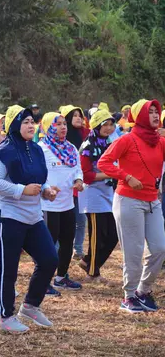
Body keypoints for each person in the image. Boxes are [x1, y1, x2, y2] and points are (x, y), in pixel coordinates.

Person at [0, 105, 59, 334]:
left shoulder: (36, 149)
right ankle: (6, 317)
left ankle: (30, 306)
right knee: (9, 269)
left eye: (32, 122)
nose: (30, 125)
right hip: (8, 216)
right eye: (25, 121)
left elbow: (38, 178)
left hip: (33, 216)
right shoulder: (4, 151)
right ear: (15, 124)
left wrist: (46, 190)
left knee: (49, 259)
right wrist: (21, 190)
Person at [98, 99, 165, 313]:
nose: (156, 115)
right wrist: (126, 176)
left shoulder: (160, 141)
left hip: (153, 200)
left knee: (159, 248)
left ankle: (143, 291)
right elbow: (104, 163)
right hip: (128, 200)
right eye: (151, 112)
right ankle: (128, 296)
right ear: (141, 116)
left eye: (157, 112)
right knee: (133, 251)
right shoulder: (127, 139)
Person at [39, 112, 84, 294]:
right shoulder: (41, 148)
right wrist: (47, 188)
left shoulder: (71, 148)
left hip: (68, 203)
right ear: (49, 127)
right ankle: (44, 281)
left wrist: (79, 180)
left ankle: (61, 277)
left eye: (64, 123)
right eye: (57, 124)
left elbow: (77, 168)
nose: (63, 127)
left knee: (67, 241)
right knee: (49, 244)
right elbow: (37, 174)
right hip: (48, 205)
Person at [78, 109, 119, 283]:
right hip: (93, 194)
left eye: (111, 124)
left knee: (114, 235)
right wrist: (111, 174)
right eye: (105, 124)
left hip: (108, 192)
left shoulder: (109, 143)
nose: (109, 128)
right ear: (96, 126)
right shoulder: (88, 146)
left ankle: (88, 261)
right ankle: (93, 273)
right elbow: (86, 175)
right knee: (97, 235)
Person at [60, 105, 90, 261]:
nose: (79, 118)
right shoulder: (61, 141)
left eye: (80, 115)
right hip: (65, 186)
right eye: (75, 115)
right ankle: (58, 249)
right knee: (63, 221)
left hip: (80, 183)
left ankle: (77, 249)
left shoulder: (86, 135)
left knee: (81, 220)